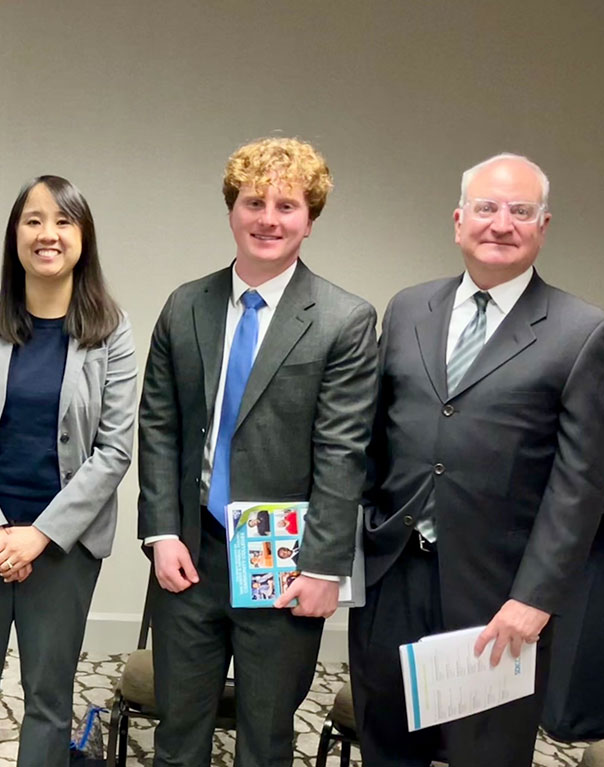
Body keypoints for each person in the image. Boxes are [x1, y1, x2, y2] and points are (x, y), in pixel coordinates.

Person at [349, 153, 604, 767]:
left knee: (485, 755)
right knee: (387, 746)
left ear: (543, 226)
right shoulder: (408, 309)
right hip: (394, 576)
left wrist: (536, 598)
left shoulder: (583, 333)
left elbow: (577, 487)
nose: (502, 223)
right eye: (487, 208)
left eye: (520, 211)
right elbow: (371, 439)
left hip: (498, 596)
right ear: (458, 221)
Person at [136, 137, 378, 766]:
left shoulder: (344, 320)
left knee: (266, 739)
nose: (268, 218)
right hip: (189, 553)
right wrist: (162, 533)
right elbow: (158, 427)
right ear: (232, 210)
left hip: (284, 563)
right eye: (254, 202)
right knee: (177, 733)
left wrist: (326, 567)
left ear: (310, 217)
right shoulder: (186, 306)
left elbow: (342, 452)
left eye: (287, 205)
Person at [0, 175, 136, 766]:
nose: (48, 233)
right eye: (34, 220)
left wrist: (40, 535)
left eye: (63, 221)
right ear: (15, 236)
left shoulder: (111, 329)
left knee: (49, 695)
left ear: (83, 237)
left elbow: (115, 449)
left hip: (62, 547)